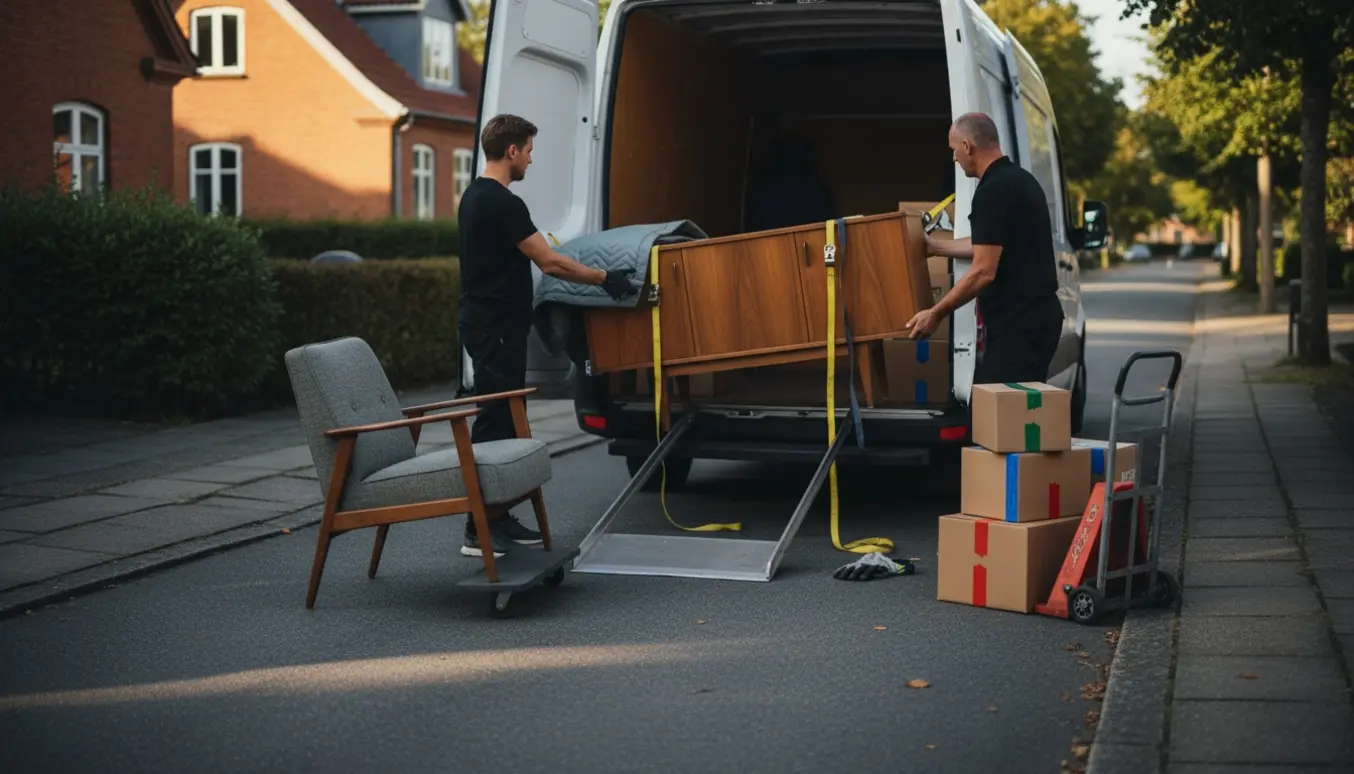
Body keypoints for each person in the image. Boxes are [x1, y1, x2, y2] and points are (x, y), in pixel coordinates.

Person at [457, 113, 636, 558]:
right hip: (495, 329)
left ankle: (496, 517)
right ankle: (480, 528)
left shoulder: (475, 195)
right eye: (529, 151)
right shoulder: (502, 202)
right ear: (512, 151)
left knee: (503, 420)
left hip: (491, 326)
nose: (531, 160)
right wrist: (605, 278)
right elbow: (550, 262)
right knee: (495, 423)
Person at [905, 112, 1064, 385]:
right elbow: (988, 243)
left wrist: (936, 313)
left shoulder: (993, 190)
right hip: (1033, 321)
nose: (954, 158)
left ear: (967, 146)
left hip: (1019, 327)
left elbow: (983, 270)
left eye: (954, 149)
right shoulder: (1017, 179)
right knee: (1006, 403)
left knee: (1004, 407)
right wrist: (934, 247)